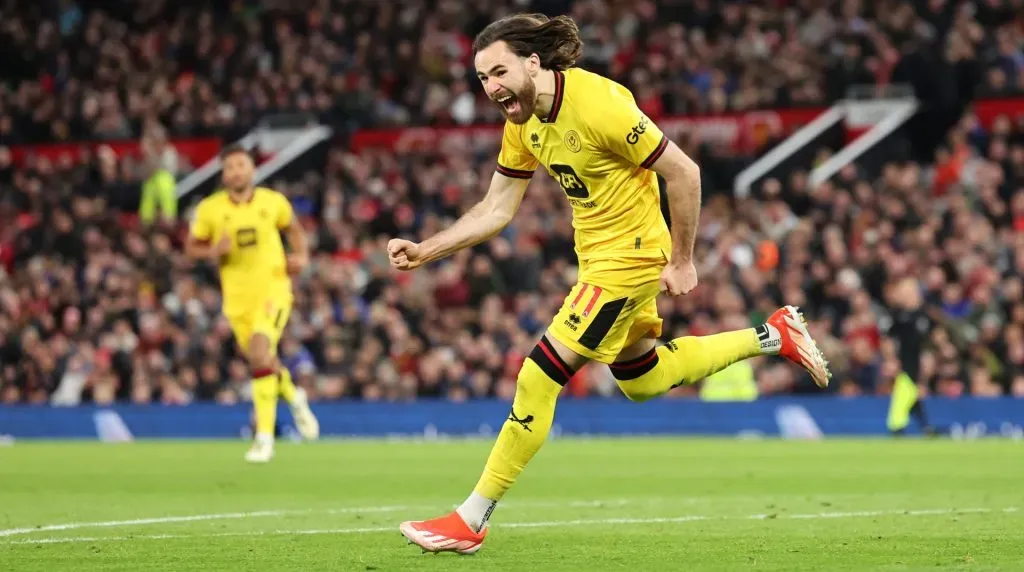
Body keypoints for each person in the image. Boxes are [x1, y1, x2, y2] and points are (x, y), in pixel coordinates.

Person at [389, 13, 831, 554]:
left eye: (499, 72)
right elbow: (497, 207)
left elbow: (685, 172)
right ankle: (773, 335)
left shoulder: (598, 106)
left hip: (631, 259)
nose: (492, 87)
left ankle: (471, 517)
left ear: (533, 63)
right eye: (482, 78)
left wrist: (684, 260)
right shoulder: (523, 121)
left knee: (538, 376)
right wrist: (427, 249)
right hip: (597, 260)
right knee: (641, 380)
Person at [185, 144, 320, 463]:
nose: (236, 171)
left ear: (252, 169)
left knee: (260, 352)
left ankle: (264, 438)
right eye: (230, 167)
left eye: (241, 165)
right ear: (223, 173)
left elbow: (295, 231)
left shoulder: (273, 202)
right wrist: (212, 252)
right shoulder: (210, 209)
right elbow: (191, 248)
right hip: (237, 300)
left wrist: (301, 256)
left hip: (274, 290)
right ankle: (293, 395)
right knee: (262, 361)